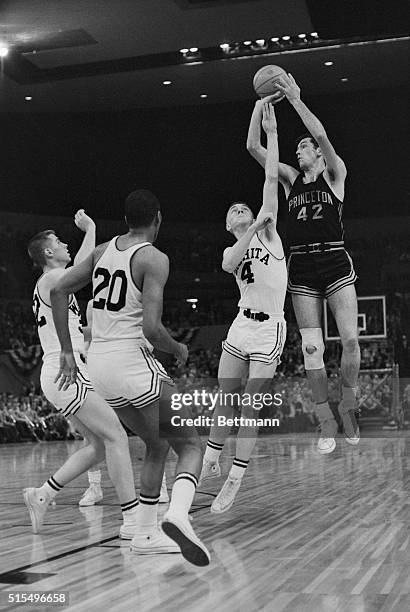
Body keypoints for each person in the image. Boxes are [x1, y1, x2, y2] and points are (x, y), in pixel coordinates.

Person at [50, 189, 210, 566]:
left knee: (156, 444)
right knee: (190, 446)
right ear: (158, 219)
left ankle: (145, 532)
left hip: (100, 369)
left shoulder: (104, 250)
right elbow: (152, 330)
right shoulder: (154, 258)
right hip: (132, 363)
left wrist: (68, 351)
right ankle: (178, 517)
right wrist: (178, 348)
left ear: (125, 220)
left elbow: (58, 290)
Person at [247, 75, 360, 453]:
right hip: (303, 267)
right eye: (296, 148)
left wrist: (295, 99)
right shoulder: (290, 180)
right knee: (312, 348)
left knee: (351, 341)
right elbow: (252, 147)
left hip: (334, 259)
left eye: (303, 147)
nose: (298, 152)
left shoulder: (334, 173)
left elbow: (322, 132)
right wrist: (261, 106)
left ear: (317, 152)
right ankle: (325, 420)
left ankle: (347, 405)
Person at [23, 211, 142, 542]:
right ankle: (132, 518)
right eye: (58, 242)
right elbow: (86, 266)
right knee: (117, 436)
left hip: (66, 369)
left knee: (99, 445)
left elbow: (82, 268)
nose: (64, 245)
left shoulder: (54, 282)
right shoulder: (51, 280)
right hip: (66, 369)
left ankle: (42, 494)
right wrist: (91, 228)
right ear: (48, 253)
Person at [199, 102, 287, 513]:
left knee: (249, 405)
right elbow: (229, 263)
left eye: (245, 208)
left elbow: (270, 174)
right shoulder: (230, 249)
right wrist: (247, 229)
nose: (241, 209)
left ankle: (234, 479)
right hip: (240, 325)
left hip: (269, 328)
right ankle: (211, 455)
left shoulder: (268, 236)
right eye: (234, 211)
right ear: (228, 224)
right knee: (226, 396)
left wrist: (269, 128)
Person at [78, 300, 169, 507]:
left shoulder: (139, 297)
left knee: (152, 431)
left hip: (134, 364)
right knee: (93, 433)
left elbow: (152, 329)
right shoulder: (94, 303)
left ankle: (160, 484)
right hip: (101, 366)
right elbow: (89, 332)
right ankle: (94, 487)